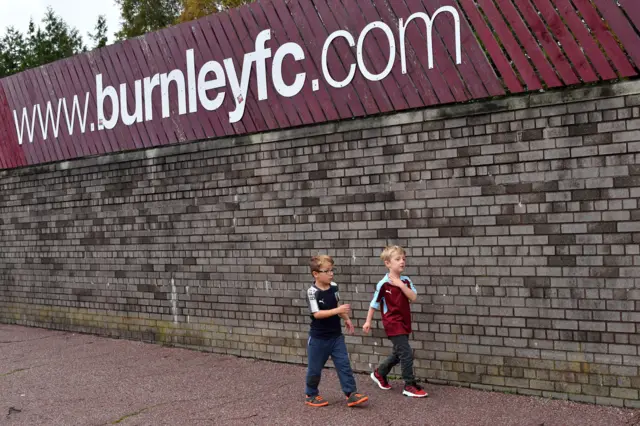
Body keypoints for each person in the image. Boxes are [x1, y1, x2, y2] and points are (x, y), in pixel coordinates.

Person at [362, 245, 428, 398]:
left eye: (403, 259)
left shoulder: (406, 281)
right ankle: (409, 385)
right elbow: (373, 305)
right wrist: (367, 322)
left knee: (399, 353)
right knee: (406, 353)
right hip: (392, 323)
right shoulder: (383, 284)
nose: (402, 262)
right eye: (397, 259)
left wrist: (400, 284)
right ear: (388, 263)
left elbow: (413, 297)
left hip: (405, 322)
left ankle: (380, 373)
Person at [304, 255, 369, 407]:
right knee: (315, 370)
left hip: (336, 337)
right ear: (316, 274)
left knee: (344, 365)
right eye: (327, 271)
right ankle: (311, 394)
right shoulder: (312, 292)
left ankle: (351, 393)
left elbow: (338, 303)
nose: (331, 274)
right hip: (318, 339)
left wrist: (346, 318)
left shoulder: (334, 286)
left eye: (332, 270)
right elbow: (317, 314)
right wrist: (338, 310)